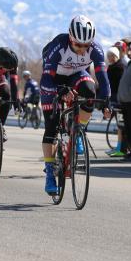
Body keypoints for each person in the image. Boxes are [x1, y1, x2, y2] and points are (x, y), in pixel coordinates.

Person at [40, 15, 111, 195]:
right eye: (78, 45)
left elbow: (103, 79)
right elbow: (46, 80)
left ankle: (78, 130)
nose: (81, 49)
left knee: (89, 89)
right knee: (51, 128)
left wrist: (106, 102)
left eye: (85, 46)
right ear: (70, 38)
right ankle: (49, 171)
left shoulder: (96, 50)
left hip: (76, 75)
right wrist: (60, 91)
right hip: (55, 80)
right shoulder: (58, 46)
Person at [105, 46, 126, 157]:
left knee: (120, 125)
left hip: (118, 98)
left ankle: (121, 148)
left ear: (116, 56)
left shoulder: (119, 67)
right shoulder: (111, 67)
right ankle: (119, 147)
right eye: (108, 56)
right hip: (113, 97)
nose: (110, 58)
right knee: (118, 125)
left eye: (112, 56)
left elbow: (118, 85)